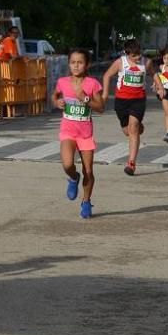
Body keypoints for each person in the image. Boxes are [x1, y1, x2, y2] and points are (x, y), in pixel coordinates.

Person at [53, 49, 105, 219]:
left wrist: (86, 99)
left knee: (89, 171)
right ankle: (74, 178)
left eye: (80, 62)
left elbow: (101, 108)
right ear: (69, 64)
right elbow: (55, 97)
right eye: (73, 62)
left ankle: (86, 201)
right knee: (67, 165)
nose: (76, 66)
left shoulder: (92, 83)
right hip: (68, 131)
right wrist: (57, 102)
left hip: (85, 134)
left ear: (87, 64)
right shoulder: (62, 82)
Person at [102, 39, 153, 176]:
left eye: (139, 54)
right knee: (128, 131)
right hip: (122, 101)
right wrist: (105, 93)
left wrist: (158, 85)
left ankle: (131, 163)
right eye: (134, 55)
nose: (137, 58)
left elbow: (154, 74)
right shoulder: (120, 62)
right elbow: (107, 75)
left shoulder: (146, 63)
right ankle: (137, 127)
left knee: (133, 128)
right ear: (127, 54)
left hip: (138, 100)